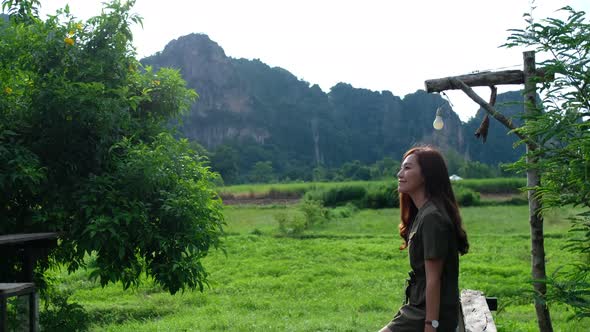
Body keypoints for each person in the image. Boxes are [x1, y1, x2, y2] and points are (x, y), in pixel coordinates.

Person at [380, 146, 469, 332]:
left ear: (426, 175)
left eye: (407, 168)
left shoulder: (432, 217)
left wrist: (431, 326)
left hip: (427, 315)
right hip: (418, 307)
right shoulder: (423, 213)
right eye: (401, 168)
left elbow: (434, 279)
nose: (399, 173)